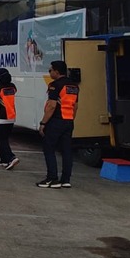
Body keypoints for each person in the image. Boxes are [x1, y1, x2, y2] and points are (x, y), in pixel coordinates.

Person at [37, 60, 79, 189]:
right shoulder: (74, 86)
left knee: (49, 148)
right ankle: (66, 179)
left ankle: (52, 178)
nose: (50, 72)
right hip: (68, 120)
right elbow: (75, 106)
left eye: (50, 70)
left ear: (56, 71)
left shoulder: (55, 85)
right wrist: (71, 119)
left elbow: (51, 106)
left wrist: (43, 123)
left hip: (55, 121)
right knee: (66, 151)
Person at [0, 68, 20, 170]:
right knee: (4, 138)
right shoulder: (12, 87)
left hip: (1, 118)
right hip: (11, 117)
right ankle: (3, 159)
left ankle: (11, 157)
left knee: (2, 139)